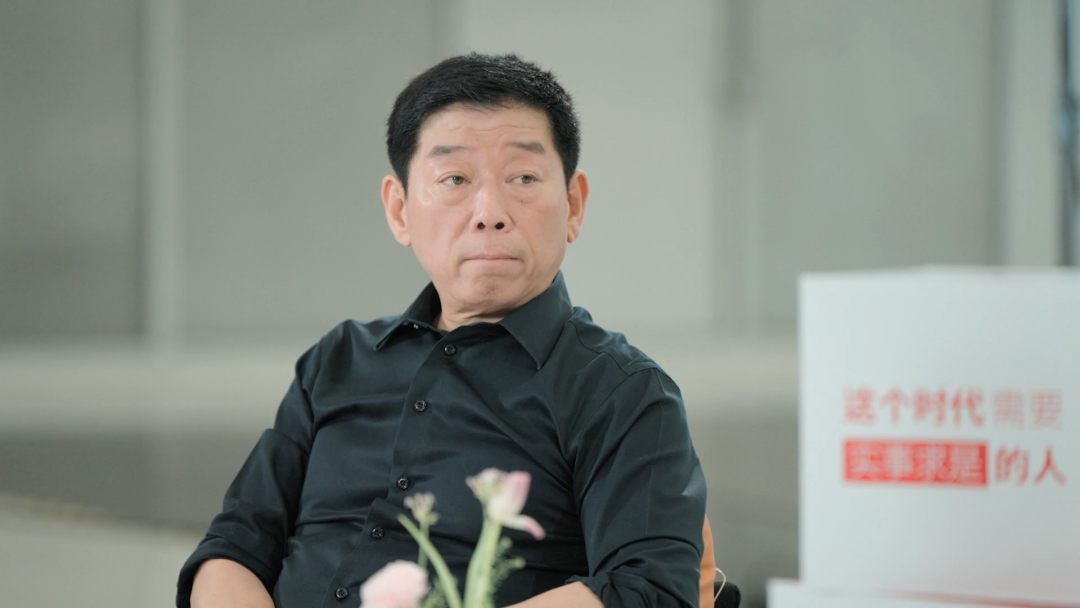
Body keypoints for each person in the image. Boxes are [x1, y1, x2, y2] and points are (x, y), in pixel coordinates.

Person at [178, 53, 707, 608]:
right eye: (454, 179)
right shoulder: (339, 360)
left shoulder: (620, 391)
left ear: (573, 205)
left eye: (524, 178)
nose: (489, 212)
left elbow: (649, 591)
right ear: (399, 209)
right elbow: (234, 549)